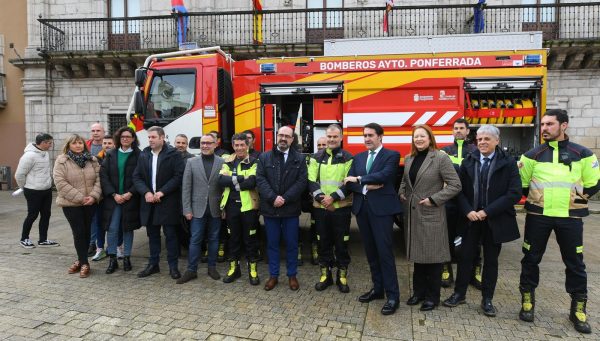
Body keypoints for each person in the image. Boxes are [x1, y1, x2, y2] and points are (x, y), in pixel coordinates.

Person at [518, 110, 599, 334]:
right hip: (538, 217)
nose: (544, 128)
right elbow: (523, 186)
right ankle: (527, 301)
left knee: (575, 263)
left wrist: (574, 200)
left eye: (550, 124)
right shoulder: (531, 155)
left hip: (570, 218)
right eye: (542, 124)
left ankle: (578, 309)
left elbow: (593, 184)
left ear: (564, 125)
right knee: (530, 259)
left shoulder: (583, 154)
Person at [443, 125, 521, 317]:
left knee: (491, 261)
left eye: (486, 139)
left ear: (497, 140)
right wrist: (468, 210)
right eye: (479, 139)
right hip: (470, 219)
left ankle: (487, 299)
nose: (482, 143)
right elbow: (458, 190)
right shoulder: (469, 161)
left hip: (495, 219)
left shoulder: (508, 162)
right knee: (464, 257)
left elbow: (514, 193)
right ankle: (459, 294)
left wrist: (487, 212)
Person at [399, 125, 461, 312]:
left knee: (433, 259)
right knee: (418, 257)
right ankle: (418, 293)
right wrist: (401, 192)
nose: (418, 139)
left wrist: (434, 199)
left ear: (429, 138)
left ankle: (432, 298)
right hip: (413, 214)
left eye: (422, 136)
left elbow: (455, 185)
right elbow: (404, 181)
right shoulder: (409, 158)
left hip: (431, 213)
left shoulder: (440, 157)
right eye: (415, 136)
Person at [344, 122, 402, 315]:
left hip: (382, 211)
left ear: (380, 136)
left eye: (370, 135)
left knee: (384, 252)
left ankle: (393, 295)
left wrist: (360, 180)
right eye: (365, 135)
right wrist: (365, 186)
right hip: (362, 210)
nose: (367, 139)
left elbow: (384, 176)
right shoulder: (358, 157)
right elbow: (348, 182)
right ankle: (378, 290)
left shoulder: (391, 155)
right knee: (371, 252)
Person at [256, 126, 307, 291]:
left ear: (292, 139)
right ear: (276, 136)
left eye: (287, 136)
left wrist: (285, 198)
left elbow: (302, 182)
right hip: (271, 209)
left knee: (292, 244)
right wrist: (273, 197)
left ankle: (292, 275)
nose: (283, 138)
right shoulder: (264, 157)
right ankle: (273, 275)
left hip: (290, 209)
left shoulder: (299, 159)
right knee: (272, 244)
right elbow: (260, 179)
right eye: (281, 135)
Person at [133, 126, 185, 280]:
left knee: (170, 235)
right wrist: (146, 192)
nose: (150, 140)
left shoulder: (173, 154)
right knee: (153, 235)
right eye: (149, 138)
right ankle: (153, 264)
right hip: (149, 202)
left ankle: (173, 266)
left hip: (167, 201)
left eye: (153, 137)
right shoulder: (144, 154)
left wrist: (162, 192)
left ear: (162, 138)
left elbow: (178, 176)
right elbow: (137, 177)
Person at [309, 125, 353, 293]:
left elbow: (348, 183)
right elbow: (311, 180)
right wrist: (323, 199)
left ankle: (341, 276)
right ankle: (325, 275)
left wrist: (332, 199)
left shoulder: (348, 157)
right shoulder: (316, 157)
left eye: (335, 137)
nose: (332, 140)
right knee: (323, 241)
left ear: (341, 138)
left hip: (340, 209)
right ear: (325, 137)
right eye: (329, 136)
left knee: (342, 243)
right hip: (321, 208)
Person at [177, 133, 224, 284]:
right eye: (203, 143)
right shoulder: (191, 162)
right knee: (195, 240)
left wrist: (224, 208)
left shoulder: (222, 162)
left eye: (208, 143)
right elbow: (186, 187)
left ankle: (212, 267)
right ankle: (191, 270)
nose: (205, 146)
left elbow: (225, 188)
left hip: (216, 208)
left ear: (215, 144)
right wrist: (187, 209)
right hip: (196, 209)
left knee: (214, 239)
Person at [53, 134, 102, 278]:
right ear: (68, 145)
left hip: (90, 203)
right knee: (79, 232)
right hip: (71, 204)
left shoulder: (92, 160)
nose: (78, 145)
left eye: (80, 143)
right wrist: (81, 198)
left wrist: (93, 196)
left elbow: (99, 180)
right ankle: (85, 263)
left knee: (87, 232)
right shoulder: (61, 161)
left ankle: (80, 260)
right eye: (74, 143)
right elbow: (60, 183)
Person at [440, 119, 480, 289]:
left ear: (468, 131)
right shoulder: (444, 151)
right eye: (455, 128)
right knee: (446, 236)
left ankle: (475, 270)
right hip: (449, 201)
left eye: (461, 128)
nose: (458, 131)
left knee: (473, 238)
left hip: (470, 202)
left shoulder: (476, 150)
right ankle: (445, 267)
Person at [218, 133, 260, 285]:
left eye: (242, 145)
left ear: (248, 145)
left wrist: (233, 180)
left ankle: (252, 270)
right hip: (231, 206)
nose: (240, 148)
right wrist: (242, 178)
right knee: (233, 239)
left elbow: (252, 183)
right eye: (237, 145)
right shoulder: (227, 161)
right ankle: (234, 269)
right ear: (233, 146)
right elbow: (221, 180)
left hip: (249, 206)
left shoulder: (255, 161)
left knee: (250, 240)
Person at [100, 127, 141, 274]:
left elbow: (141, 177)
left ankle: (127, 257)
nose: (125, 139)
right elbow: (104, 176)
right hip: (114, 199)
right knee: (112, 228)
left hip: (130, 198)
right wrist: (113, 194)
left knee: (127, 228)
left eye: (129, 137)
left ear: (133, 139)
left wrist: (130, 193)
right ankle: (112, 259)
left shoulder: (139, 155)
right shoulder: (111, 154)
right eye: (123, 136)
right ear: (119, 138)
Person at [15, 133, 59, 248]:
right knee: (32, 215)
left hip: (46, 190)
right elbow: (19, 175)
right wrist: (23, 188)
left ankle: (43, 240)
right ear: (43, 143)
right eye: (49, 143)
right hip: (33, 191)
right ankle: (24, 239)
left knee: (46, 215)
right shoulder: (29, 156)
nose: (51, 145)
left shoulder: (45, 153)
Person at [90, 134, 115, 262]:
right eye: (104, 143)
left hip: (113, 196)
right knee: (99, 224)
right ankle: (100, 249)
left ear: (114, 144)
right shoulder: (96, 159)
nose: (106, 146)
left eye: (109, 143)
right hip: (100, 198)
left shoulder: (117, 158)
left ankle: (114, 249)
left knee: (113, 225)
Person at [86, 123, 105, 258]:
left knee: (103, 219)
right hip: (89, 189)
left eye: (98, 130)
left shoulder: (110, 146)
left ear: (103, 132)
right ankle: (92, 243)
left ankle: (105, 245)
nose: (95, 133)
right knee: (92, 218)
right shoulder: (86, 146)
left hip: (105, 188)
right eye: (93, 130)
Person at [174, 133, 194, 252]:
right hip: (171, 198)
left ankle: (189, 249)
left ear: (187, 145)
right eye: (178, 142)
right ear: (174, 143)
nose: (180, 145)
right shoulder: (168, 157)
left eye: (183, 143)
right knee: (175, 227)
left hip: (186, 198)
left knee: (188, 227)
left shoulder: (192, 159)